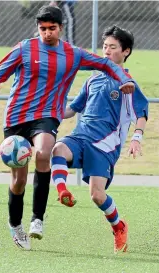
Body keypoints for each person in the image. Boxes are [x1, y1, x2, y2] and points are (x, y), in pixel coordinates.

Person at [0, 6, 135, 250]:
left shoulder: (73, 54)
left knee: (44, 152)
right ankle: (15, 225)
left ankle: (37, 219)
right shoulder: (24, 49)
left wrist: (125, 80)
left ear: (60, 28)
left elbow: (107, 65)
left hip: (47, 116)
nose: (47, 33)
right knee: (18, 180)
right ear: (37, 28)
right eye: (43, 29)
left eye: (52, 28)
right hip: (16, 117)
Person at [51, 25, 148, 253]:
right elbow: (73, 109)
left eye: (112, 47)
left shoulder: (128, 83)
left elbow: (141, 114)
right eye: (105, 47)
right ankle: (62, 191)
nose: (106, 51)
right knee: (57, 150)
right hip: (81, 136)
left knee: (96, 195)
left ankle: (118, 226)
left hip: (105, 146)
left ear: (126, 52)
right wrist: (50, 112)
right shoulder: (92, 80)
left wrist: (136, 138)